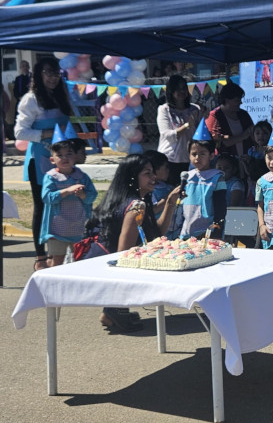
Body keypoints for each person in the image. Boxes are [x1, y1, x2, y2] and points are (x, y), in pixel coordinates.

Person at [85, 154, 182, 331]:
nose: (154, 177)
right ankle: (114, 311)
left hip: (96, 260)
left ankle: (113, 311)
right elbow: (124, 253)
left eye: (153, 173)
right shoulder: (136, 206)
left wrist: (170, 203)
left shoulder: (125, 199)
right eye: (147, 173)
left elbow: (156, 234)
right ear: (132, 177)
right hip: (108, 266)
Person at [15, 57, 73, 271]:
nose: (52, 77)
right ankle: (41, 257)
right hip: (39, 161)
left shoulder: (61, 96)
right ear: (38, 75)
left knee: (62, 204)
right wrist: (47, 134)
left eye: (56, 73)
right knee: (41, 207)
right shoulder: (30, 99)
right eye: (48, 73)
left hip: (63, 159)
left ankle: (59, 253)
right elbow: (20, 132)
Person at [40, 135, 98, 267]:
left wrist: (83, 196)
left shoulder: (82, 177)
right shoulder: (51, 177)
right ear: (52, 159)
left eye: (69, 154)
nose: (64, 158)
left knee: (80, 259)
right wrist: (67, 191)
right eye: (60, 155)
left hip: (79, 226)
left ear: (75, 157)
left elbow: (92, 196)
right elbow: (47, 197)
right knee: (57, 260)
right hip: (56, 229)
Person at [178, 121, 227, 239]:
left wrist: (216, 229)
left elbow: (220, 207)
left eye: (202, 154)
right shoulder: (187, 177)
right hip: (186, 231)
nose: (197, 158)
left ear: (211, 155)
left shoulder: (217, 178)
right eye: (193, 154)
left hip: (208, 232)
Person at [156, 74, 202, 185]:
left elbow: (200, 134)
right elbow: (168, 135)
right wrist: (187, 125)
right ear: (171, 91)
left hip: (191, 159)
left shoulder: (195, 109)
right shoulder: (164, 109)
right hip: (169, 160)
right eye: (178, 89)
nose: (182, 92)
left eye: (184, 88)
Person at [205, 82, 254, 157]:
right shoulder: (214, 116)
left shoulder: (244, 114)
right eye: (237, 100)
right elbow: (219, 142)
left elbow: (252, 134)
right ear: (227, 100)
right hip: (225, 162)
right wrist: (243, 136)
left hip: (245, 161)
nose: (240, 102)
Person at [143, 150, 172, 218]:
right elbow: (153, 210)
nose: (168, 170)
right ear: (154, 170)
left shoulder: (168, 187)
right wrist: (169, 198)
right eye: (166, 167)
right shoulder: (148, 190)